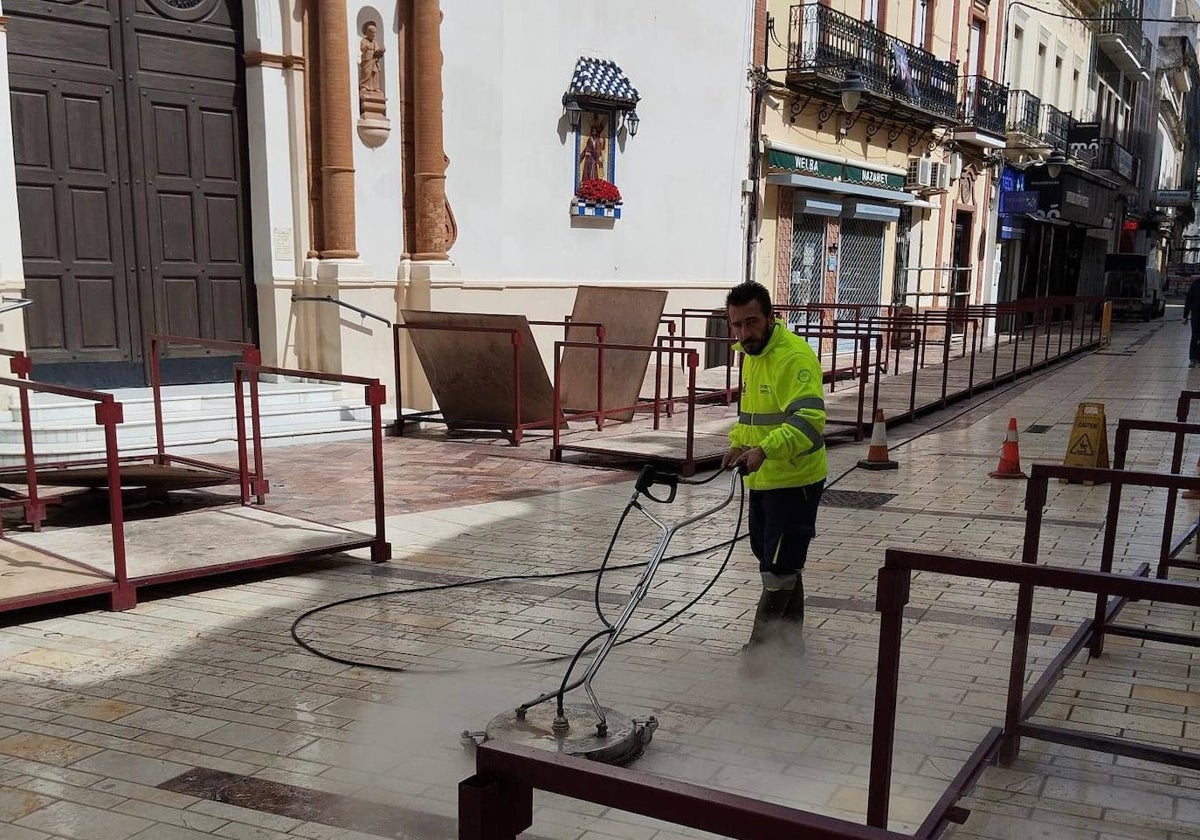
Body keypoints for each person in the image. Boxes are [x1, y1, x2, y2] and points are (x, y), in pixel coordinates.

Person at [721, 281, 827, 650]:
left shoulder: (794, 357)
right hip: (764, 479)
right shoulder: (750, 356)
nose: (744, 333)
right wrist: (738, 444)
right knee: (776, 559)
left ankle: (759, 653)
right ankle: (790, 646)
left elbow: (809, 422)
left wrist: (765, 450)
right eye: (736, 325)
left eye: (751, 323)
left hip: (795, 479)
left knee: (779, 568)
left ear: (770, 317)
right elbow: (752, 415)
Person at [1185, 276, 1200, 368]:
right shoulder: (1196, 284)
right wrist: (1185, 315)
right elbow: (1189, 300)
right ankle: (1193, 359)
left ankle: (1198, 359)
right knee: (1195, 336)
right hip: (1196, 315)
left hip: (1195, 314)